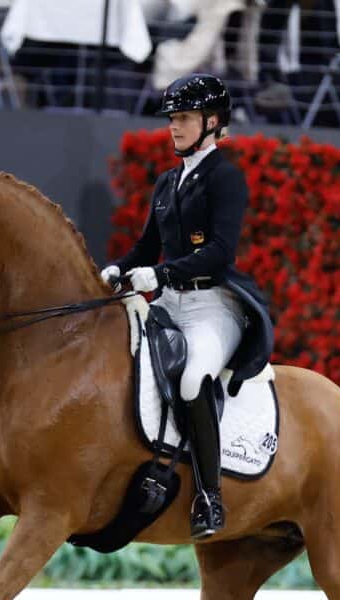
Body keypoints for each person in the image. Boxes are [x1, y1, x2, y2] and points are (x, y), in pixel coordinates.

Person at [101, 73, 250, 541]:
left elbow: (221, 251)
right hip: (168, 302)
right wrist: (117, 269)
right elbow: (147, 247)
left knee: (192, 378)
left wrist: (162, 274)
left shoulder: (226, 177)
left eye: (184, 118)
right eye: (172, 119)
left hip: (213, 305)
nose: (174, 127)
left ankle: (210, 497)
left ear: (212, 122)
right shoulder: (168, 181)